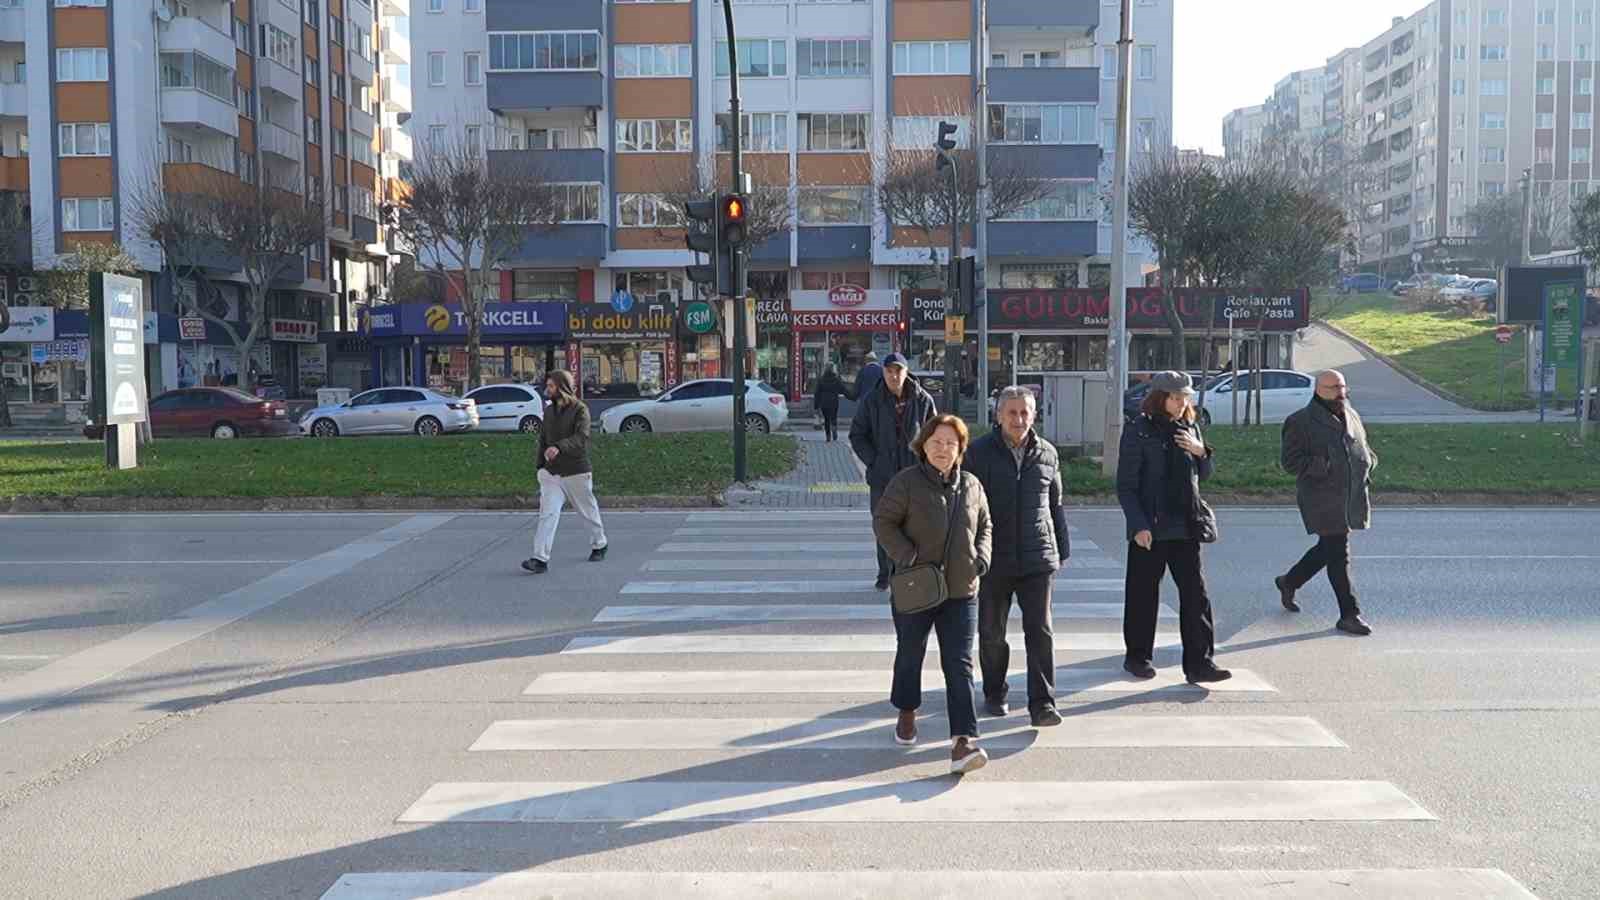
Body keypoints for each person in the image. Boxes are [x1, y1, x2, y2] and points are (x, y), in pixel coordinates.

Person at [873, 414, 993, 775]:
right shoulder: (905, 483)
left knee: (960, 665)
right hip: (916, 587)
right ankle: (907, 711)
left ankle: (963, 741)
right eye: (936, 442)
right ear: (923, 445)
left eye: (951, 444)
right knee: (911, 653)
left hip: (961, 589)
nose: (943, 450)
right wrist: (907, 556)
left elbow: (985, 524)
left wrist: (981, 558)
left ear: (961, 450)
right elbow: (884, 522)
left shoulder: (971, 485)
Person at [1115, 371, 1231, 684]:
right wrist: (1138, 525)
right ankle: (1137, 657)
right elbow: (1125, 486)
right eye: (1176, 398)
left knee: (1196, 595)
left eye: (1186, 398)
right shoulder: (1138, 430)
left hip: (1186, 524)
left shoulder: (1190, 426)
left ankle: (1200, 664)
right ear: (1160, 398)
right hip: (1150, 528)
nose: (1182, 403)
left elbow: (1203, 474)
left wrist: (1201, 452)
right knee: (1143, 595)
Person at [966, 385, 1069, 727]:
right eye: (1012, 412)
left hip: (1037, 558)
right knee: (992, 632)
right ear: (998, 416)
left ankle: (1042, 703)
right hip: (994, 559)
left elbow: (1055, 506)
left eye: (1025, 412)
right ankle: (995, 691)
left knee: (1040, 630)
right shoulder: (978, 453)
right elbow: (967, 508)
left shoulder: (1048, 454)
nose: (1019, 419)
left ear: (1034, 415)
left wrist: (1061, 549)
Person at [1276, 369, 1377, 636]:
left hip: (1350, 495)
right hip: (1321, 497)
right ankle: (1349, 614)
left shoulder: (1350, 413)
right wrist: (1326, 465)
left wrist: (1368, 461)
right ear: (1319, 389)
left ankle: (1289, 581)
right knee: (1338, 553)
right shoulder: (1300, 421)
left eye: (1343, 387)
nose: (1340, 393)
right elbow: (1290, 462)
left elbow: (1361, 445)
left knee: (1328, 549)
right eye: (1334, 388)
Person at [850, 352, 938, 591]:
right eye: (889, 371)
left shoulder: (922, 400)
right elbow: (857, 435)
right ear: (884, 373)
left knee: (916, 526)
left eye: (898, 370)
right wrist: (874, 461)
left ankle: (912, 572)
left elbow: (935, 435)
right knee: (885, 526)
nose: (893, 375)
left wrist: (927, 464)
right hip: (883, 478)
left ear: (906, 372)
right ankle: (885, 573)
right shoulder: (872, 400)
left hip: (915, 475)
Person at [522, 370, 607, 574]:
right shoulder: (549, 411)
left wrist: (559, 447)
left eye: (551, 386)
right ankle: (540, 559)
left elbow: (582, 438)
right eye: (548, 386)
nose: (547, 390)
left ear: (562, 387)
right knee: (547, 514)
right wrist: (540, 466)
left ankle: (599, 543)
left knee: (587, 511)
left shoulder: (580, 409)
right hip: (552, 474)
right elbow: (543, 440)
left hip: (576, 471)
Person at [813, 365, 847, 442]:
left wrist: (816, 405)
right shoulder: (836, 379)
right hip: (834, 402)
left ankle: (828, 436)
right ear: (833, 370)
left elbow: (817, 393)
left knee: (826, 420)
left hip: (824, 403)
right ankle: (834, 429)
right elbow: (842, 389)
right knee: (834, 417)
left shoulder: (821, 380)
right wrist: (851, 395)